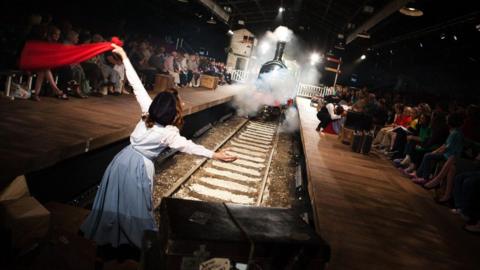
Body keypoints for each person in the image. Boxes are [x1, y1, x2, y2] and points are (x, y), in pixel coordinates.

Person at [80, 44, 237, 249]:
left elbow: (136, 84)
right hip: (140, 168)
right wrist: (214, 155)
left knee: (114, 201)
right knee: (137, 208)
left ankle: (109, 237)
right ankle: (139, 244)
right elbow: (190, 147)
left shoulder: (147, 112)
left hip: (122, 159)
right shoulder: (169, 133)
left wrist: (125, 57)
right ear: (173, 112)